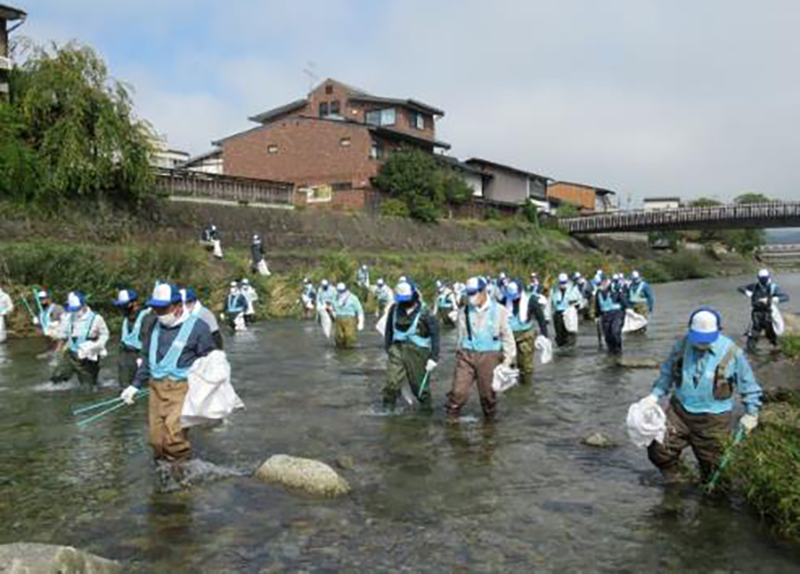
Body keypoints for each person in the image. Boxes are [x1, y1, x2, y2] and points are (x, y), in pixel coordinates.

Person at [639, 308, 762, 483]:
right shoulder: (681, 346)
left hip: (714, 419)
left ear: (718, 331)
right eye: (698, 340)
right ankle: (678, 479)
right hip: (679, 412)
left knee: (713, 468)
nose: (702, 344)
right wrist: (654, 396)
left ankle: (710, 497)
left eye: (707, 340)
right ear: (689, 331)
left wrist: (752, 413)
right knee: (658, 449)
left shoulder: (732, 353)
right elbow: (667, 373)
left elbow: (748, 385)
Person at [120, 284, 216, 464]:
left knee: (174, 438)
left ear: (178, 306)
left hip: (182, 389)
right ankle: (162, 476)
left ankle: (181, 476)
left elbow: (209, 360)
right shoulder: (153, 324)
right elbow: (147, 357)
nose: (160, 313)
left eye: (164, 309)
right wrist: (134, 385)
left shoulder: (199, 327)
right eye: (156, 308)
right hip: (156, 388)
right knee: (156, 441)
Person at [446, 277, 516, 421]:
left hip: (490, 356)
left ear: (483, 291)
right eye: (469, 293)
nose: (471, 297)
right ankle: (451, 422)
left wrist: (507, 361)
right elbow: (461, 334)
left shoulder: (499, 310)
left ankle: (489, 426)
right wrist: (459, 352)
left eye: (474, 293)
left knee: (487, 395)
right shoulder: (463, 311)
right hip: (466, 355)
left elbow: (507, 337)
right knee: (457, 392)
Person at [383, 281, 440, 411]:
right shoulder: (394, 309)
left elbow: (435, 335)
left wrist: (434, 358)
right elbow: (388, 330)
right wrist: (388, 348)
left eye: (406, 299)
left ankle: (425, 415)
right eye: (401, 300)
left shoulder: (426, 313)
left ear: (414, 295)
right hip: (396, 350)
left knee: (419, 388)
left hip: (419, 353)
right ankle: (387, 412)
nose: (403, 302)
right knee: (391, 384)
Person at [51, 291, 110, 387]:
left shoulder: (96, 318)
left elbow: (105, 334)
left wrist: (97, 345)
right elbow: (63, 334)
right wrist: (55, 338)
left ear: (83, 305)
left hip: (88, 357)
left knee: (88, 387)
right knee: (57, 377)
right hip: (70, 354)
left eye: (77, 309)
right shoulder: (69, 317)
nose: (75, 312)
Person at [501, 280, 548, 385]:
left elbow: (541, 317)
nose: (514, 299)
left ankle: (526, 387)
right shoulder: (505, 299)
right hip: (509, 336)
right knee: (508, 364)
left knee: (526, 365)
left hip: (526, 335)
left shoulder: (531, 299)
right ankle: (510, 389)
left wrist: (544, 335)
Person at [737, 269, 790, 351]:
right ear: (758, 278)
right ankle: (750, 349)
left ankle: (776, 347)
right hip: (756, 313)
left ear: (768, 277)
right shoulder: (754, 286)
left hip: (768, 313)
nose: (763, 280)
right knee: (754, 331)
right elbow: (740, 288)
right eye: (762, 278)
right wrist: (747, 292)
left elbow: (786, 297)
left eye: (765, 278)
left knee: (771, 331)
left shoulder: (773, 287)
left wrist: (773, 299)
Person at [114, 289, 153, 388]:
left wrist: (143, 360)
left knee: (141, 387)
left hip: (139, 356)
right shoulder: (126, 318)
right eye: (120, 306)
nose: (121, 308)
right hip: (124, 355)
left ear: (134, 303)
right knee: (124, 387)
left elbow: (148, 342)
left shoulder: (146, 317)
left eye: (124, 305)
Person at [595, 276, 628, 355]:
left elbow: (625, 303)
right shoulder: (598, 293)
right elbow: (597, 306)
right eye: (601, 283)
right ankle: (611, 353)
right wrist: (596, 316)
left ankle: (619, 351)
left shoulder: (616, 290)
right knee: (608, 336)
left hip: (616, 315)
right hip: (605, 316)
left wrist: (625, 314)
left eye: (605, 282)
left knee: (615, 332)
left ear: (608, 282)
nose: (603, 284)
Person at [549, 273, 581, 348]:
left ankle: (570, 350)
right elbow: (550, 302)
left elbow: (579, 300)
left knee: (570, 334)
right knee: (559, 335)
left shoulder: (573, 288)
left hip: (569, 313)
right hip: (558, 314)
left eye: (564, 282)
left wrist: (576, 305)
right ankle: (560, 349)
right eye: (561, 283)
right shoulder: (554, 289)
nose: (562, 284)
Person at [332, 283, 364, 349]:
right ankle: (340, 351)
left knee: (349, 336)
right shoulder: (335, 297)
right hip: (338, 319)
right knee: (339, 337)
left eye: (342, 291)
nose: (340, 293)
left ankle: (350, 351)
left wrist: (361, 322)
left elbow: (360, 310)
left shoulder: (353, 298)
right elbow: (333, 308)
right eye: (339, 291)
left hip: (350, 319)